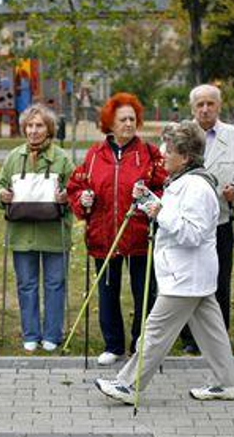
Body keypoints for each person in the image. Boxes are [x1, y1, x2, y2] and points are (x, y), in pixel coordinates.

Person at [94, 120, 234, 405]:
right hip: (190, 276)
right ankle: (225, 383)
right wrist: (149, 200)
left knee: (155, 332)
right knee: (212, 332)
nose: (162, 154)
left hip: (184, 276)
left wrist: (158, 212)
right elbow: (172, 213)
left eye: (169, 150)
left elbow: (192, 233)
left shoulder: (196, 187)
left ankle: (128, 385)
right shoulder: (184, 181)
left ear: (184, 157)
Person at [67, 92, 166, 365]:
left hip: (140, 236)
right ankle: (113, 345)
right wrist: (83, 198)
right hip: (105, 235)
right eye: (123, 119)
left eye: (132, 119)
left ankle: (141, 344)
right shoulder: (94, 155)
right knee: (107, 292)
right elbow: (76, 186)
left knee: (143, 293)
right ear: (110, 123)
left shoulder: (149, 154)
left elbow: (164, 188)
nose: (129, 124)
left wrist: (150, 200)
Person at [179, 84, 234, 353]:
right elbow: (165, 169)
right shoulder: (181, 134)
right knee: (189, 281)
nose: (205, 109)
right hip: (187, 225)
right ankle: (189, 338)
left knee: (219, 281)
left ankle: (217, 337)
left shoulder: (233, 137)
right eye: (199, 104)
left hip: (221, 222)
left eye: (210, 103)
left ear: (219, 106)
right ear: (192, 108)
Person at [0, 103, 75, 352]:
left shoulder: (62, 158)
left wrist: (66, 197)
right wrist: (2, 195)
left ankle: (52, 334)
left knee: (55, 284)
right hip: (22, 234)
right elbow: (0, 185)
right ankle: (30, 333)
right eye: (29, 125)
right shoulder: (14, 157)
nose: (33, 130)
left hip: (54, 233)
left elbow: (76, 191)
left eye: (39, 125)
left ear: (49, 129)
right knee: (26, 285)